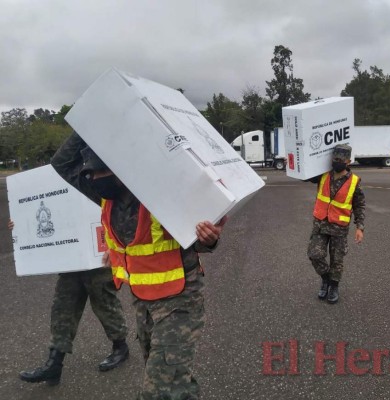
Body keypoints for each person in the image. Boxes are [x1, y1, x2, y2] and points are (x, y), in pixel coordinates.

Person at [51, 132, 226, 400]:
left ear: (123, 169)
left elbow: (199, 240)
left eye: (101, 172)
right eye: (92, 174)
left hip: (180, 301)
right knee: (174, 381)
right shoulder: (103, 196)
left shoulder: (160, 193)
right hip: (143, 304)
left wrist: (209, 239)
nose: (95, 179)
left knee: (158, 390)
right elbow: (61, 165)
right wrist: (85, 126)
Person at [8, 220, 129, 386]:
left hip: (98, 255)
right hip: (70, 258)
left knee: (104, 303)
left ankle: (120, 346)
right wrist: (22, 220)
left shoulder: (101, 192)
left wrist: (114, 244)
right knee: (62, 307)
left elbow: (117, 212)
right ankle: (54, 364)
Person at [307, 144, 365, 304]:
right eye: (334, 159)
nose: (336, 162)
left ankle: (333, 286)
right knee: (314, 254)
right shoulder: (323, 175)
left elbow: (359, 205)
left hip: (339, 227)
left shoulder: (354, 182)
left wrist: (359, 227)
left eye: (340, 160)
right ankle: (326, 279)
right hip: (320, 224)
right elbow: (304, 175)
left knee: (337, 260)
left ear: (348, 161)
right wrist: (292, 164)